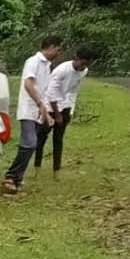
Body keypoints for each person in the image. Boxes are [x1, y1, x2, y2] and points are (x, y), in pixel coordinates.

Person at [1, 36, 64, 195]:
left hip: (38, 112)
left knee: (32, 145)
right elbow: (28, 85)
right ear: (50, 47)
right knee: (29, 144)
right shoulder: (34, 61)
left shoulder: (47, 66)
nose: (58, 52)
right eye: (58, 49)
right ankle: (10, 176)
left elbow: (43, 90)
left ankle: (17, 178)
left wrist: (46, 112)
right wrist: (39, 105)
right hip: (29, 110)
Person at [34, 46, 95, 179]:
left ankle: (56, 171)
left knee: (58, 139)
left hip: (65, 105)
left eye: (87, 65)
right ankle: (36, 168)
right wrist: (57, 114)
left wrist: (70, 110)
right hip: (50, 106)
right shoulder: (61, 70)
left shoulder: (84, 71)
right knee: (41, 139)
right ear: (76, 59)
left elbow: (73, 91)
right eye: (82, 63)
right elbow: (50, 93)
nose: (83, 67)